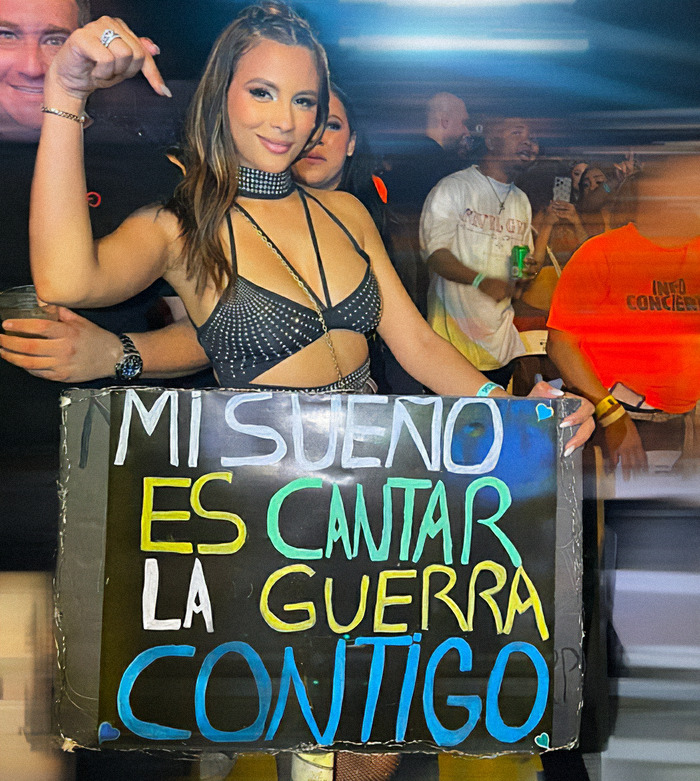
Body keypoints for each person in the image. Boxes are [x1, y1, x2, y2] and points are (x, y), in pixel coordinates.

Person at [30, 2, 592, 442]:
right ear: (220, 96)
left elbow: (416, 344)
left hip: (368, 493)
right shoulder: (178, 226)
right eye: (261, 93)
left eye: (303, 101)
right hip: (263, 504)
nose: (284, 121)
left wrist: (513, 411)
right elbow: (66, 281)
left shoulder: (346, 214)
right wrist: (67, 92)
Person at [547, 153, 700, 479]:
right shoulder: (600, 253)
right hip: (613, 421)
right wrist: (613, 417)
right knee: (612, 524)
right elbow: (561, 345)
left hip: (683, 423)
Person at [291, 82, 421, 395]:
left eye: (332, 125)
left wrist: (499, 399)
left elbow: (415, 342)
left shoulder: (371, 222)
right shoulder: (240, 219)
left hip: (366, 405)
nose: (317, 137)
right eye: (307, 122)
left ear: (351, 144)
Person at [420, 116, 551, 391]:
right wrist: (481, 280)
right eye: (518, 133)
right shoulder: (454, 188)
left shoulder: (521, 201)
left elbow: (519, 265)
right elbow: (436, 254)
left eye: (534, 137)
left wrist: (523, 272)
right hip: (451, 348)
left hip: (500, 349)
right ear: (491, 141)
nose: (529, 142)